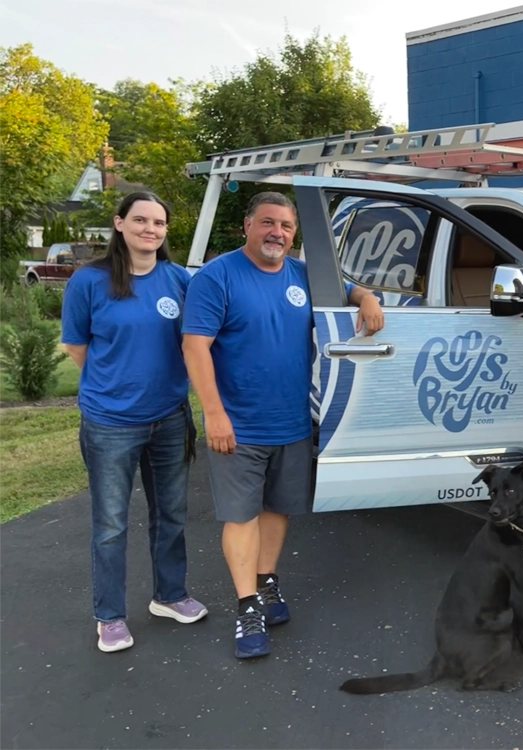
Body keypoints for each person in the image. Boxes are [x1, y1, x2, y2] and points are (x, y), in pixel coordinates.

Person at [182, 191, 384, 660]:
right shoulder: (218, 277)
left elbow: (348, 288)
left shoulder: (303, 275)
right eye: (268, 223)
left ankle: (267, 582)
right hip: (238, 425)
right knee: (241, 515)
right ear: (248, 226)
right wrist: (213, 412)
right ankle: (247, 606)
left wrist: (367, 296)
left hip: (291, 423)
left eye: (287, 226)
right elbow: (195, 348)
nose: (278, 233)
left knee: (277, 509)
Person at [62, 191, 207, 654]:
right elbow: (77, 347)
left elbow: (196, 341)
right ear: (119, 224)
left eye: (159, 223)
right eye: (141, 220)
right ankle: (110, 616)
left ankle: (170, 595)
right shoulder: (89, 281)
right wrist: (116, 386)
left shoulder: (177, 280)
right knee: (110, 525)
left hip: (168, 418)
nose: (151, 229)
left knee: (172, 515)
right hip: (110, 424)